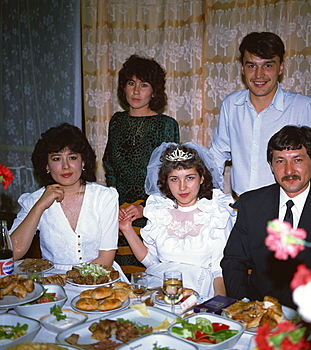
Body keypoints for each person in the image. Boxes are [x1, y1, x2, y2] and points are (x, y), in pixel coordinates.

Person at [221, 125, 311, 308]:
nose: (289, 171)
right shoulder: (251, 204)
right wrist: (244, 306)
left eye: (297, 160)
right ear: (271, 166)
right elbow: (233, 261)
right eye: (280, 161)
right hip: (257, 316)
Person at [210, 31, 311, 197]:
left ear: (281, 67)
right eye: (252, 65)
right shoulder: (231, 104)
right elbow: (216, 157)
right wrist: (208, 201)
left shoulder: (302, 106)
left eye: (268, 65)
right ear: (242, 68)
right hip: (241, 209)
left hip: (286, 210)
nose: (259, 74)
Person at [10, 123, 128, 280]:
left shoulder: (104, 197)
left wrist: (68, 278)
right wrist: (40, 206)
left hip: (100, 278)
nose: (66, 166)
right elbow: (12, 253)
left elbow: (106, 259)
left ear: (83, 162)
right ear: (46, 165)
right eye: (57, 159)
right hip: (53, 282)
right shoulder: (34, 200)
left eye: (72, 157)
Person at [118, 142, 237, 298]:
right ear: (166, 181)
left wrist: (218, 301)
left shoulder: (216, 212)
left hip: (200, 291)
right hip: (159, 288)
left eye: (190, 178)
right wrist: (126, 229)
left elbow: (218, 269)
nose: (182, 187)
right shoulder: (159, 210)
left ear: (201, 178)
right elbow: (152, 263)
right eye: (174, 179)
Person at [103, 54, 180, 268]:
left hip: (151, 213)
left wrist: (144, 208)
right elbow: (109, 165)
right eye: (131, 84)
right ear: (123, 88)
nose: (136, 91)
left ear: (154, 91)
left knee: (147, 278)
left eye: (144, 85)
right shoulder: (116, 121)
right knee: (116, 279)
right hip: (118, 212)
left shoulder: (166, 124)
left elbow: (169, 175)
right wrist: (114, 204)